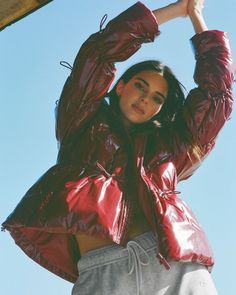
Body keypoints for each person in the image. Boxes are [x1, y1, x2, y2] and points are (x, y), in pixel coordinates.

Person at [1, 0, 234, 294]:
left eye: (158, 98)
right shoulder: (80, 122)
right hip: (103, 271)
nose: (146, 99)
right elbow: (99, 53)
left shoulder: (169, 148)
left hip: (174, 268)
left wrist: (197, 17)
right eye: (140, 85)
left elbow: (217, 95)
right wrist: (175, 10)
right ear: (121, 85)